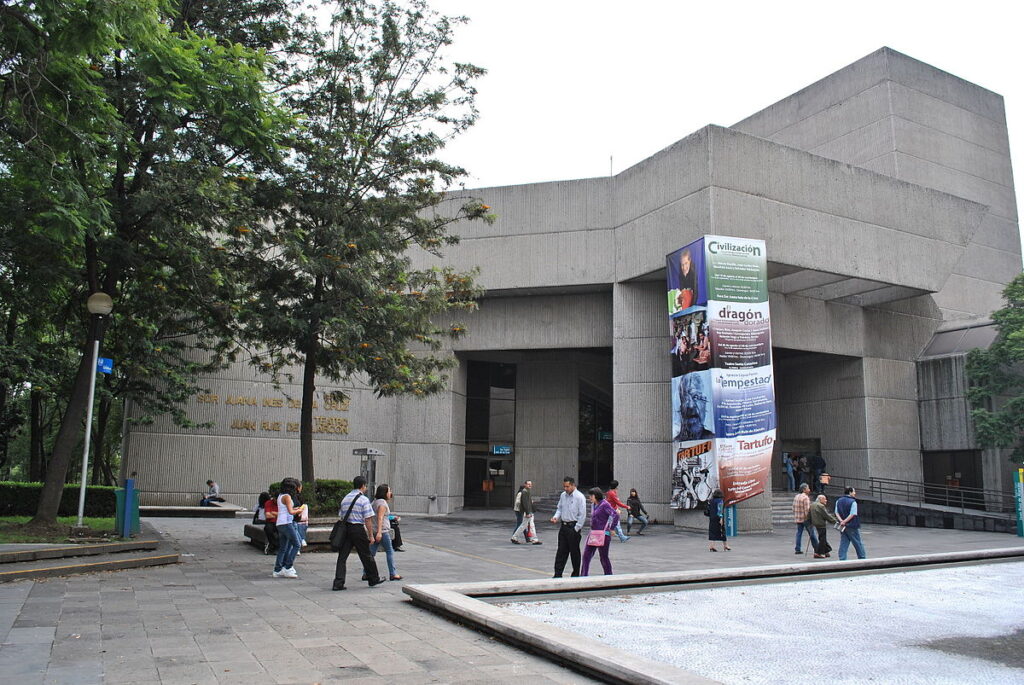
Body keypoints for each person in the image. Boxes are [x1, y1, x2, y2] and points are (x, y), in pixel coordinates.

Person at [333, 476, 384, 590]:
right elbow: (368, 519)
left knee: (342, 557)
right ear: (363, 486)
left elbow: (341, 516)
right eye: (365, 486)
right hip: (357, 529)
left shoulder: (345, 498)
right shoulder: (363, 499)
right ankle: (373, 578)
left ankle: (338, 582)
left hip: (346, 529)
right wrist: (371, 535)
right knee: (366, 555)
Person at [550, 476, 587, 578]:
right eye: (564, 486)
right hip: (564, 525)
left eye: (567, 486)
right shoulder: (563, 495)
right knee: (561, 551)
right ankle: (558, 573)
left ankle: (575, 573)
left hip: (573, 526)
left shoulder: (579, 497)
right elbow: (560, 508)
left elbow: (582, 514)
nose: (565, 489)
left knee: (574, 552)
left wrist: (576, 528)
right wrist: (556, 517)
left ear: (573, 485)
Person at [272, 478, 306, 579]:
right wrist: (299, 510)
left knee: (283, 547)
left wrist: (295, 510)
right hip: (286, 523)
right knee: (296, 544)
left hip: (281, 523)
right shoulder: (287, 497)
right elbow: (291, 512)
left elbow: (286, 510)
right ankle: (288, 566)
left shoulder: (280, 496)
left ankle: (278, 569)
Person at [581, 488, 618, 576]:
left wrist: (612, 528)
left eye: (591, 496)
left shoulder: (604, 504)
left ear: (596, 495)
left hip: (604, 534)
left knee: (603, 557)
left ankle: (609, 575)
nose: (590, 497)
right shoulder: (593, 505)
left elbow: (615, 515)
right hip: (593, 534)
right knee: (586, 555)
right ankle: (583, 575)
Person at [369, 484, 401, 581]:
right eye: (389, 491)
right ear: (385, 493)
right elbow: (380, 518)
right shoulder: (382, 503)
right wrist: (379, 532)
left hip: (375, 531)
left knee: (371, 553)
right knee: (389, 551)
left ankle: (366, 572)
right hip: (382, 531)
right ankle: (393, 573)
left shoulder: (374, 502)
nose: (390, 493)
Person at [835, 486, 867, 560]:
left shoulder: (838, 501)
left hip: (842, 526)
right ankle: (862, 557)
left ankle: (842, 558)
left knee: (844, 542)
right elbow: (853, 514)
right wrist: (845, 521)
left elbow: (836, 512)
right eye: (854, 491)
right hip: (852, 525)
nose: (855, 493)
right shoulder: (853, 502)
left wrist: (841, 521)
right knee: (857, 542)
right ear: (850, 492)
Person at [511, 480, 542, 545]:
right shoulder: (524, 492)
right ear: (525, 485)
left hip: (528, 511)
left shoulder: (526, 491)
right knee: (526, 525)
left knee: (527, 525)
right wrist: (528, 512)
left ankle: (515, 537)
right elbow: (525, 503)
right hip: (527, 512)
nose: (530, 485)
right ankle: (533, 539)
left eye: (530, 484)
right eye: (528, 484)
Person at [792, 483, 819, 555]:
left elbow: (793, 508)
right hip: (805, 519)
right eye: (808, 488)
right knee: (812, 534)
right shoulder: (805, 498)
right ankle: (817, 549)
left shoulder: (796, 497)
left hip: (798, 518)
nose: (809, 490)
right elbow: (807, 510)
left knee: (799, 533)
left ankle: (797, 548)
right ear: (804, 489)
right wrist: (811, 519)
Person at [809, 494, 837, 558]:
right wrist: (835, 521)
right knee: (822, 538)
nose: (826, 500)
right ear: (820, 499)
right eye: (824, 499)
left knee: (822, 537)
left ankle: (826, 550)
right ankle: (819, 552)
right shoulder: (820, 506)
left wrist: (810, 522)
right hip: (821, 524)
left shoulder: (812, 504)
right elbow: (826, 515)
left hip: (815, 523)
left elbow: (809, 514)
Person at [262, 487, 279, 554]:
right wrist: (278, 514)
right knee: (268, 529)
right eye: (275, 499)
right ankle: (275, 545)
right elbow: (267, 515)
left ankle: (274, 545)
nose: (276, 501)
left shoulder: (283, 504)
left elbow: (284, 515)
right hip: (271, 522)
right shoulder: (268, 503)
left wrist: (273, 513)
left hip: (280, 522)